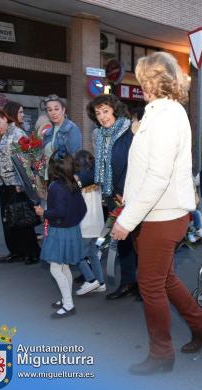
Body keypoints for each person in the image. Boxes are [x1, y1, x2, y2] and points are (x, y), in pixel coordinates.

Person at [110, 52, 202, 375]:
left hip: (161, 214)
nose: (138, 83)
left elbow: (158, 177)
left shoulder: (168, 115)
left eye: (142, 77)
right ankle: (201, 323)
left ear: (152, 80)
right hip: (152, 212)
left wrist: (126, 221)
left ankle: (161, 354)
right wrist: (127, 202)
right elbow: (144, 171)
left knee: (151, 285)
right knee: (164, 279)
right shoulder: (158, 113)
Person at [87, 94, 138, 300]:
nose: (102, 117)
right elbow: (99, 167)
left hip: (130, 194)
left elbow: (136, 165)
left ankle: (145, 286)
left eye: (105, 111)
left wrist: (125, 191)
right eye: (98, 113)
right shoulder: (99, 135)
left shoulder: (130, 132)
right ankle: (128, 283)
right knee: (122, 242)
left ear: (115, 110)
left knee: (139, 243)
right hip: (110, 194)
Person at [0, 107, 41, 265]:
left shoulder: (18, 134)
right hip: (3, 185)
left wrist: (23, 184)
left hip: (17, 185)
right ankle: (15, 252)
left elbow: (26, 162)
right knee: (8, 220)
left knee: (22, 220)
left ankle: (32, 253)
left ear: (5, 118)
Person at [34, 154, 87, 318]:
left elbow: (59, 212)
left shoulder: (56, 187)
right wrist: (73, 222)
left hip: (59, 232)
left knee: (56, 269)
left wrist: (44, 212)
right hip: (72, 230)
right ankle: (66, 298)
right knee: (64, 267)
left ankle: (69, 305)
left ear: (53, 169)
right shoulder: (73, 183)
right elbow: (83, 209)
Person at [73, 150, 106, 296]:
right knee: (93, 254)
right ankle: (101, 282)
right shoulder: (97, 180)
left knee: (76, 255)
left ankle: (91, 280)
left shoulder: (78, 181)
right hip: (98, 225)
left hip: (85, 225)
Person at [43, 94, 82, 160]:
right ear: (47, 113)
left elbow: (74, 157)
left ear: (63, 110)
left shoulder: (72, 129)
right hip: (48, 169)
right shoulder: (47, 132)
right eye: (50, 110)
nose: (53, 113)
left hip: (63, 169)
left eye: (56, 109)